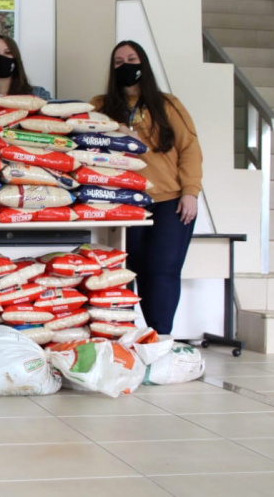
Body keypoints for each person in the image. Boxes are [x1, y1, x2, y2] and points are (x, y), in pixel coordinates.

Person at [91, 40, 203, 335]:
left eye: (132, 58)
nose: (126, 65)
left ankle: (160, 336)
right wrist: (115, 130)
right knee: (128, 272)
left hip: (170, 200)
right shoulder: (100, 106)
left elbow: (189, 148)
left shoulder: (168, 104)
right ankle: (128, 337)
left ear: (144, 64)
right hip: (125, 203)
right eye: (118, 62)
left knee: (163, 270)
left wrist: (190, 191)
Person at [0, 34, 51, 101]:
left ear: (16, 58)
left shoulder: (38, 95)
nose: (1, 57)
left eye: (7, 52)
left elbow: (58, 111)